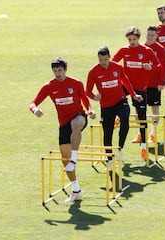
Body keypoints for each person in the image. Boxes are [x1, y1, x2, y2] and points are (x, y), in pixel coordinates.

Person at [29, 57, 96, 203]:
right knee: (65, 162)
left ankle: (74, 158)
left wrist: (90, 111)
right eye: (55, 71)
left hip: (79, 117)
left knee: (76, 123)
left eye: (60, 70)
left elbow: (85, 100)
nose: (57, 73)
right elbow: (33, 102)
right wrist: (35, 110)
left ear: (65, 70)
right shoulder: (49, 86)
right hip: (63, 124)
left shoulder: (76, 83)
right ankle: (76, 190)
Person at [86, 46, 143, 168]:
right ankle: (109, 158)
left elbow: (125, 80)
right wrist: (94, 97)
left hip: (120, 100)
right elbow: (88, 91)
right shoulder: (93, 72)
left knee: (125, 118)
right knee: (108, 132)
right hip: (106, 105)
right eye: (101, 60)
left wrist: (134, 95)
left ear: (109, 57)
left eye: (105, 59)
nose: (103, 62)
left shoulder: (117, 67)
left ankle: (120, 148)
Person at [112, 26, 162, 160]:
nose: (132, 41)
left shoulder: (146, 51)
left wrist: (150, 66)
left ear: (138, 38)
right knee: (114, 99)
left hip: (140, 88)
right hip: (126, 85)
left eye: (134, 39)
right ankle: (117, 117)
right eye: (129, 39)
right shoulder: (124, 50)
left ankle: (144, 146)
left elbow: (158, 65)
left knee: (142, 117)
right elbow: (112, 63)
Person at [145, 25, 165, 143]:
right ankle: (140, 134)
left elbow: (163, 67)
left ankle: (153, 134)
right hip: (142, 84)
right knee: (140, 110)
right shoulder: (141, 47)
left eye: (152, 35)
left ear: (157, 36)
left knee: (155, 109)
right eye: (148, 34)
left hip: (154, 84)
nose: (149, 37)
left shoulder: (160, 49)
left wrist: (161, 83)